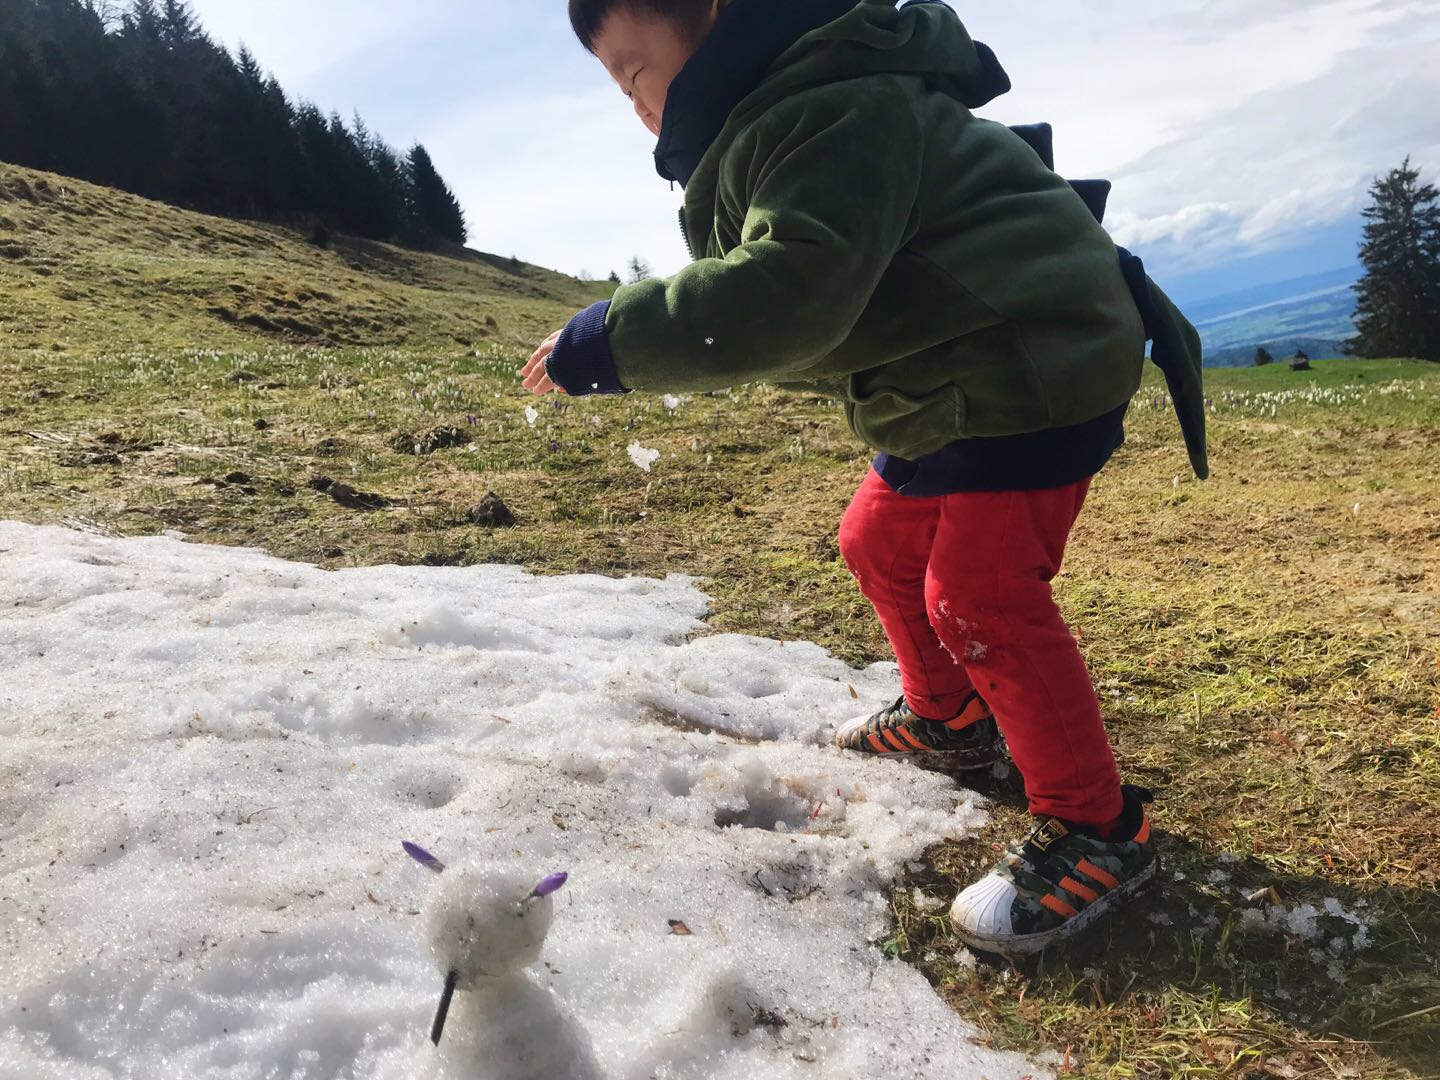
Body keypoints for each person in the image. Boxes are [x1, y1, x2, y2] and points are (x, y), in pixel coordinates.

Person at [519, 0, 1208, 954]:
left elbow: (791, 291)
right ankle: (950, 717)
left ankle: (1101, 830)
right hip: (946, 374)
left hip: (1032, 359)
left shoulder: (834, 110)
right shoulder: (775, 120)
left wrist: (614, 337)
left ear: (712, 18)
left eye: (638, 74)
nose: (637, 107)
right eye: (619, 88)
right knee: (875, 540)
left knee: (976, 595)